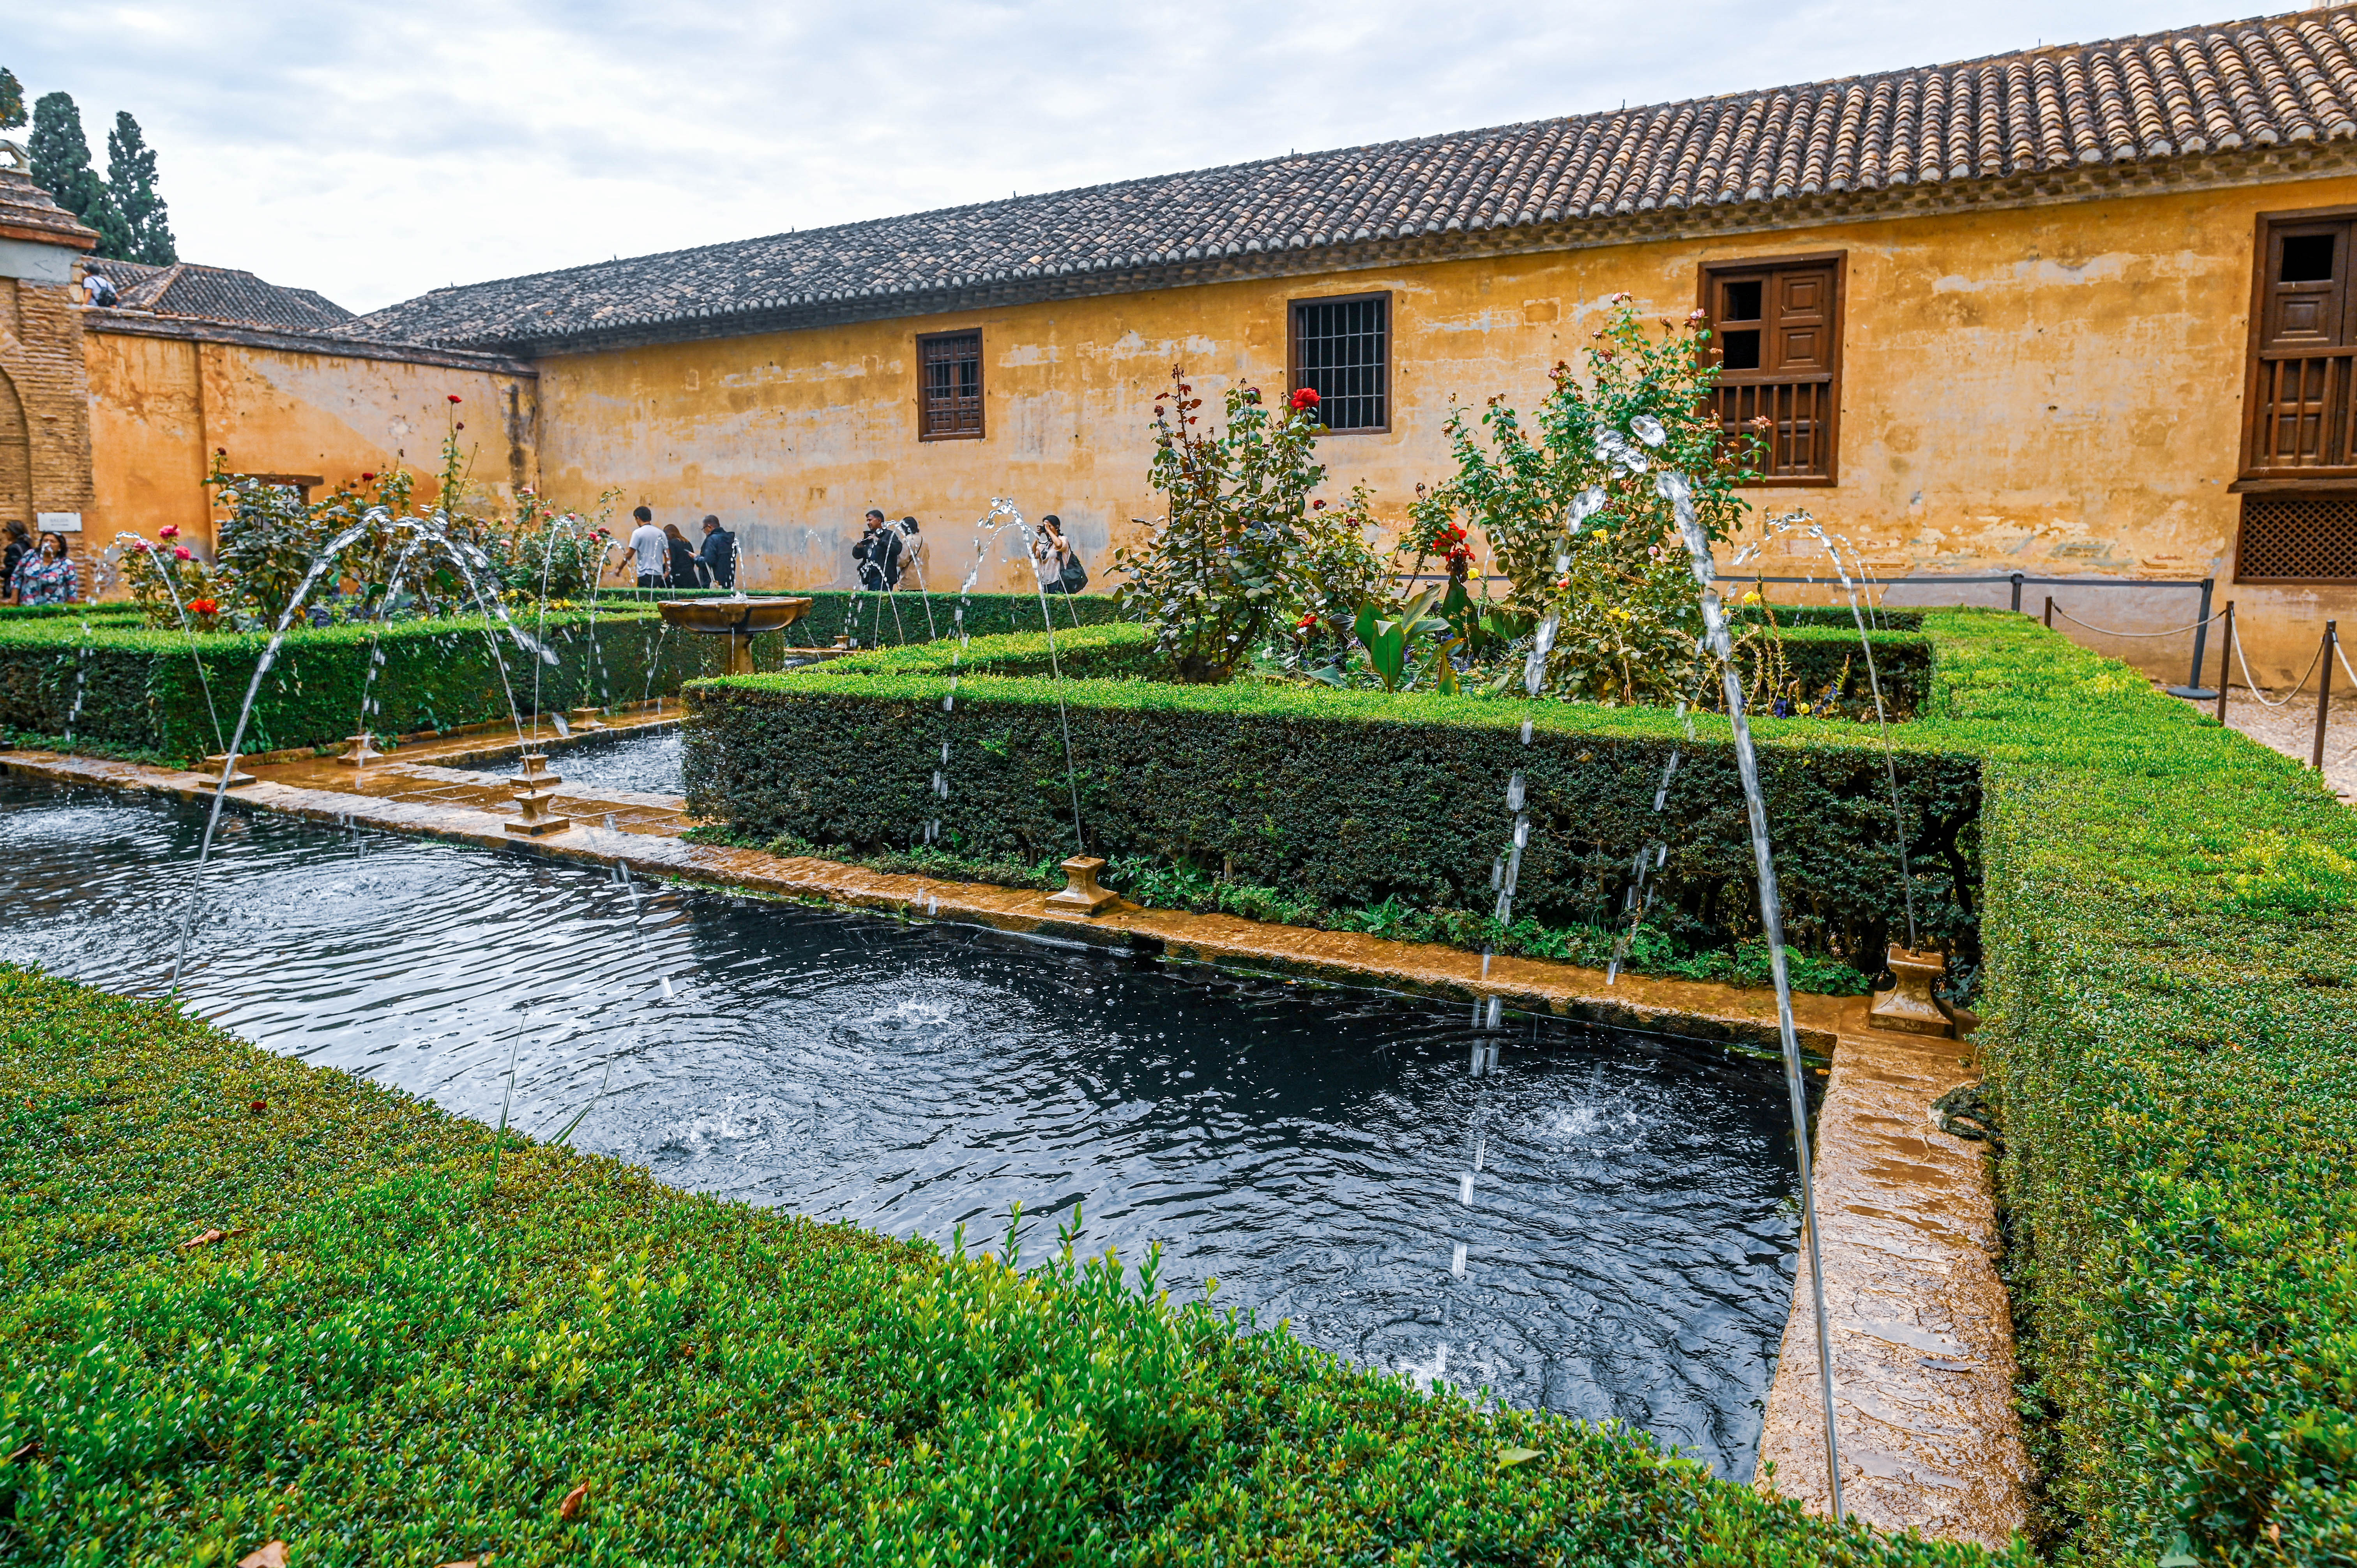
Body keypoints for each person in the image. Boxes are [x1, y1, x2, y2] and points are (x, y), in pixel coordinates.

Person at [12, 531, 78, 606]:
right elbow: (17, 575)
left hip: (54, 606)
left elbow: (72, 588)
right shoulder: (31, 555)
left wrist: (71, 606)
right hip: (29, 603)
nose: (48, 544)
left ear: (60, 547)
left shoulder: (66, 564)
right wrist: (14, 598)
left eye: (53, 542)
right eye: (46, 541)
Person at [1034, 514, 1087, 595]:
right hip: (1046, 582)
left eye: (1049, 526)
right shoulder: (1045, 545)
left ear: (1057, 527)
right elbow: (1032, 555)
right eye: (1045, 527)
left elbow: (1059, 545)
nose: (1047, 528)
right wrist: (1037, 536)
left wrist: (1049, 531)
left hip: (1058, 581)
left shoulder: (1063, 539)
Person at [853, 508, 903, 590]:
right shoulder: (869, 537)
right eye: (867, 521)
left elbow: (897, 549)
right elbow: (857, 556)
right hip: (871, 578)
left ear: (879, 521)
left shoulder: (889, 535)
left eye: (870, 520)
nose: (868, 523)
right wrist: (859, 548)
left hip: (885, 578)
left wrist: (879, 541)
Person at [626, 506, 667, 589]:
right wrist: (668, 571)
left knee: (644, 596)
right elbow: (667, 554)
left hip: (644, 573)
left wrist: (620, 568)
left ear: (638, 518)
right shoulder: (661, 533)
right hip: (658, 573)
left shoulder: (638, 533)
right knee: (655, 595)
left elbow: (629, 555)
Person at [697, 514, 736, 590]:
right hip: (728, 580)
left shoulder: (712, 540)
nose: (704, 531)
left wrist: (696, 558)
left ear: (709, 527)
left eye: (704, 528)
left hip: (713, 583)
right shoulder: (730, 539)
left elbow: (708, 562)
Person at [662, 523, 699, 588]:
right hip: (691, 575)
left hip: (679, 576)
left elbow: (671, 561)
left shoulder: (671, 543)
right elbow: (692, 559)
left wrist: (663, 569)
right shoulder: (687, 542)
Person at [896, 516, 927, 591]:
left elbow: (902, 562)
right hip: (922, 581)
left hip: (909, 582)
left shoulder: (907, 540)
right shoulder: (924, 541)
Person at [2, 521, 28, 604]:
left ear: (13, 532)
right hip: (26, 584)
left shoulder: (14, 548)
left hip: (14, 586)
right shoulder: (26, 545)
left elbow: (15, 569)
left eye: (5, 531)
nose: (5, 534)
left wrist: (2, 572)